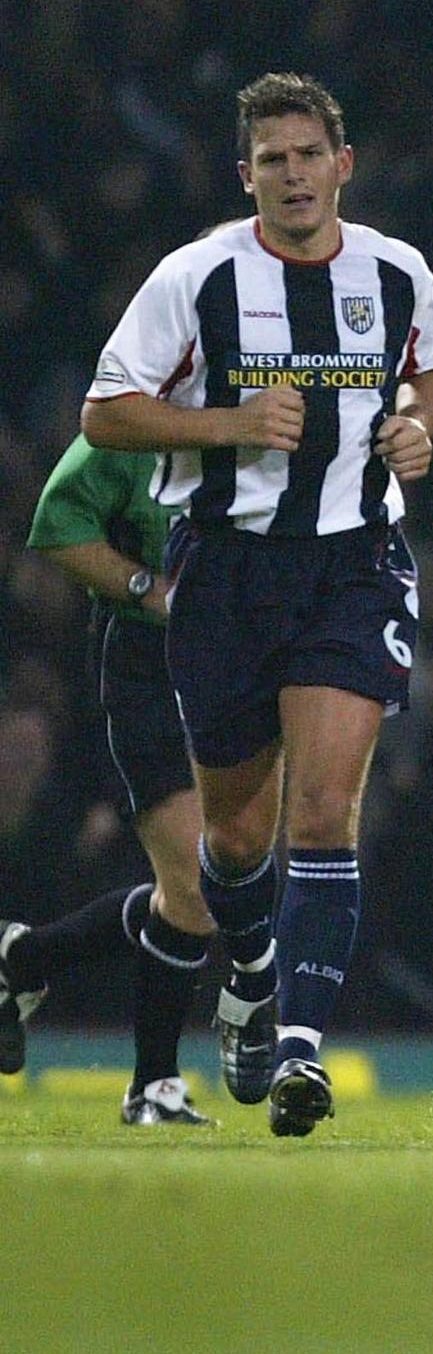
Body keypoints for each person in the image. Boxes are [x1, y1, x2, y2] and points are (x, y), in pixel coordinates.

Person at [79, 72, 433, 1137]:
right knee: (237, 839)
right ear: (246, 176)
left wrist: (417, 426)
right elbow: (106, 413)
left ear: (344, 164)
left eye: (309, 155)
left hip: (353, 564)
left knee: (325, 810)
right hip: (227, 571)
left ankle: (299, 1045)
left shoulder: (397, 272)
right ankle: (250, 967)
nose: (294, 175)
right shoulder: (195, 276)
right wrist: (228, 425)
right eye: (272, 160)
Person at [0, 436, 217, 1125]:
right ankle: (154, 1083)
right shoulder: (137, 409)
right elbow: (57, 521)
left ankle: (25, 957)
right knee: (195, 882)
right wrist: (147, 587)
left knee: (219, 879)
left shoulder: (273, 411)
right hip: (145, 661)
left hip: (238, 656)